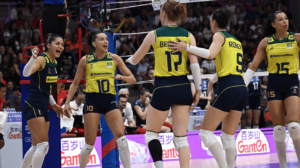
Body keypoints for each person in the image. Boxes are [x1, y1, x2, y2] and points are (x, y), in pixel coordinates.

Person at [169, 8, 247, 168]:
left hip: (228, 87)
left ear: (214, 22)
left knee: (205, 133)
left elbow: (210, 54)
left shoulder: (219, 35)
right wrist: (213, 79)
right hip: (240, 87)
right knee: (228, 137)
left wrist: (187, 47)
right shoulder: (236, 41)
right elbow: (230, 66)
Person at [126, 1, 202, 167]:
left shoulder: (154, 34)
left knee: (151, 134)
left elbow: (135, 60)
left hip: (163, 87)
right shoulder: (188, 35)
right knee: (181, 138)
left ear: (163, 14)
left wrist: (122, 60)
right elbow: (195, 65)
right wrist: (198, 89)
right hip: (183, 86)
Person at [64, 31, 136, 168]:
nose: (105, 42)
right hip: (92, 100)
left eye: (106, 39)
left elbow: (132, 79)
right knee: (89, 143)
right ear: (94, 43)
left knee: (121, 137)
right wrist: (67, 102)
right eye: (102, 39)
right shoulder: (86, 60)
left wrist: (123, 78)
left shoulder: (114, 58)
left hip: (109, 99)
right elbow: (75, 83)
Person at [243, 11, 300, 168]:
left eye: (286, 18)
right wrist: (242, 87)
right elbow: (253, 66)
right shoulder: (266, 42)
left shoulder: (296, 38)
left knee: (294, 127)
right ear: (273, 24)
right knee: (279, 130)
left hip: (292, 81)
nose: (285, 21)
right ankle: (283, 165)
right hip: (274, 83)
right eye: (280, 19)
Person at [20, 34, 70, 168]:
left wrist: (54, 105)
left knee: (37, 146)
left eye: (62, 44)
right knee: (43, 145)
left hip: (43, 105)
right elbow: (26, 73)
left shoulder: (54, 63)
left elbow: (47, 89)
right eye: (57, 43)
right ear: (48, 45)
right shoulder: (42, 59)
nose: (61, 46)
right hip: (33, 104)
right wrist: (32, 59)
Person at [245, 62, 266, 129]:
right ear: (248, 67)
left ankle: (256, 134)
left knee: (256, 121)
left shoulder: (257, 74)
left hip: (257, 98)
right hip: (249, 99)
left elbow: (260, 85)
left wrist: (268, 87)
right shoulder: (246, 75)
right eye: (249, 65)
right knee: (248, 121)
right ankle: (247, 134)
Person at [0, 83, 7, 150]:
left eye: (5, 91)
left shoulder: (2, 100)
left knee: (1, 142)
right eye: (3, 91)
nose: (5, 93)